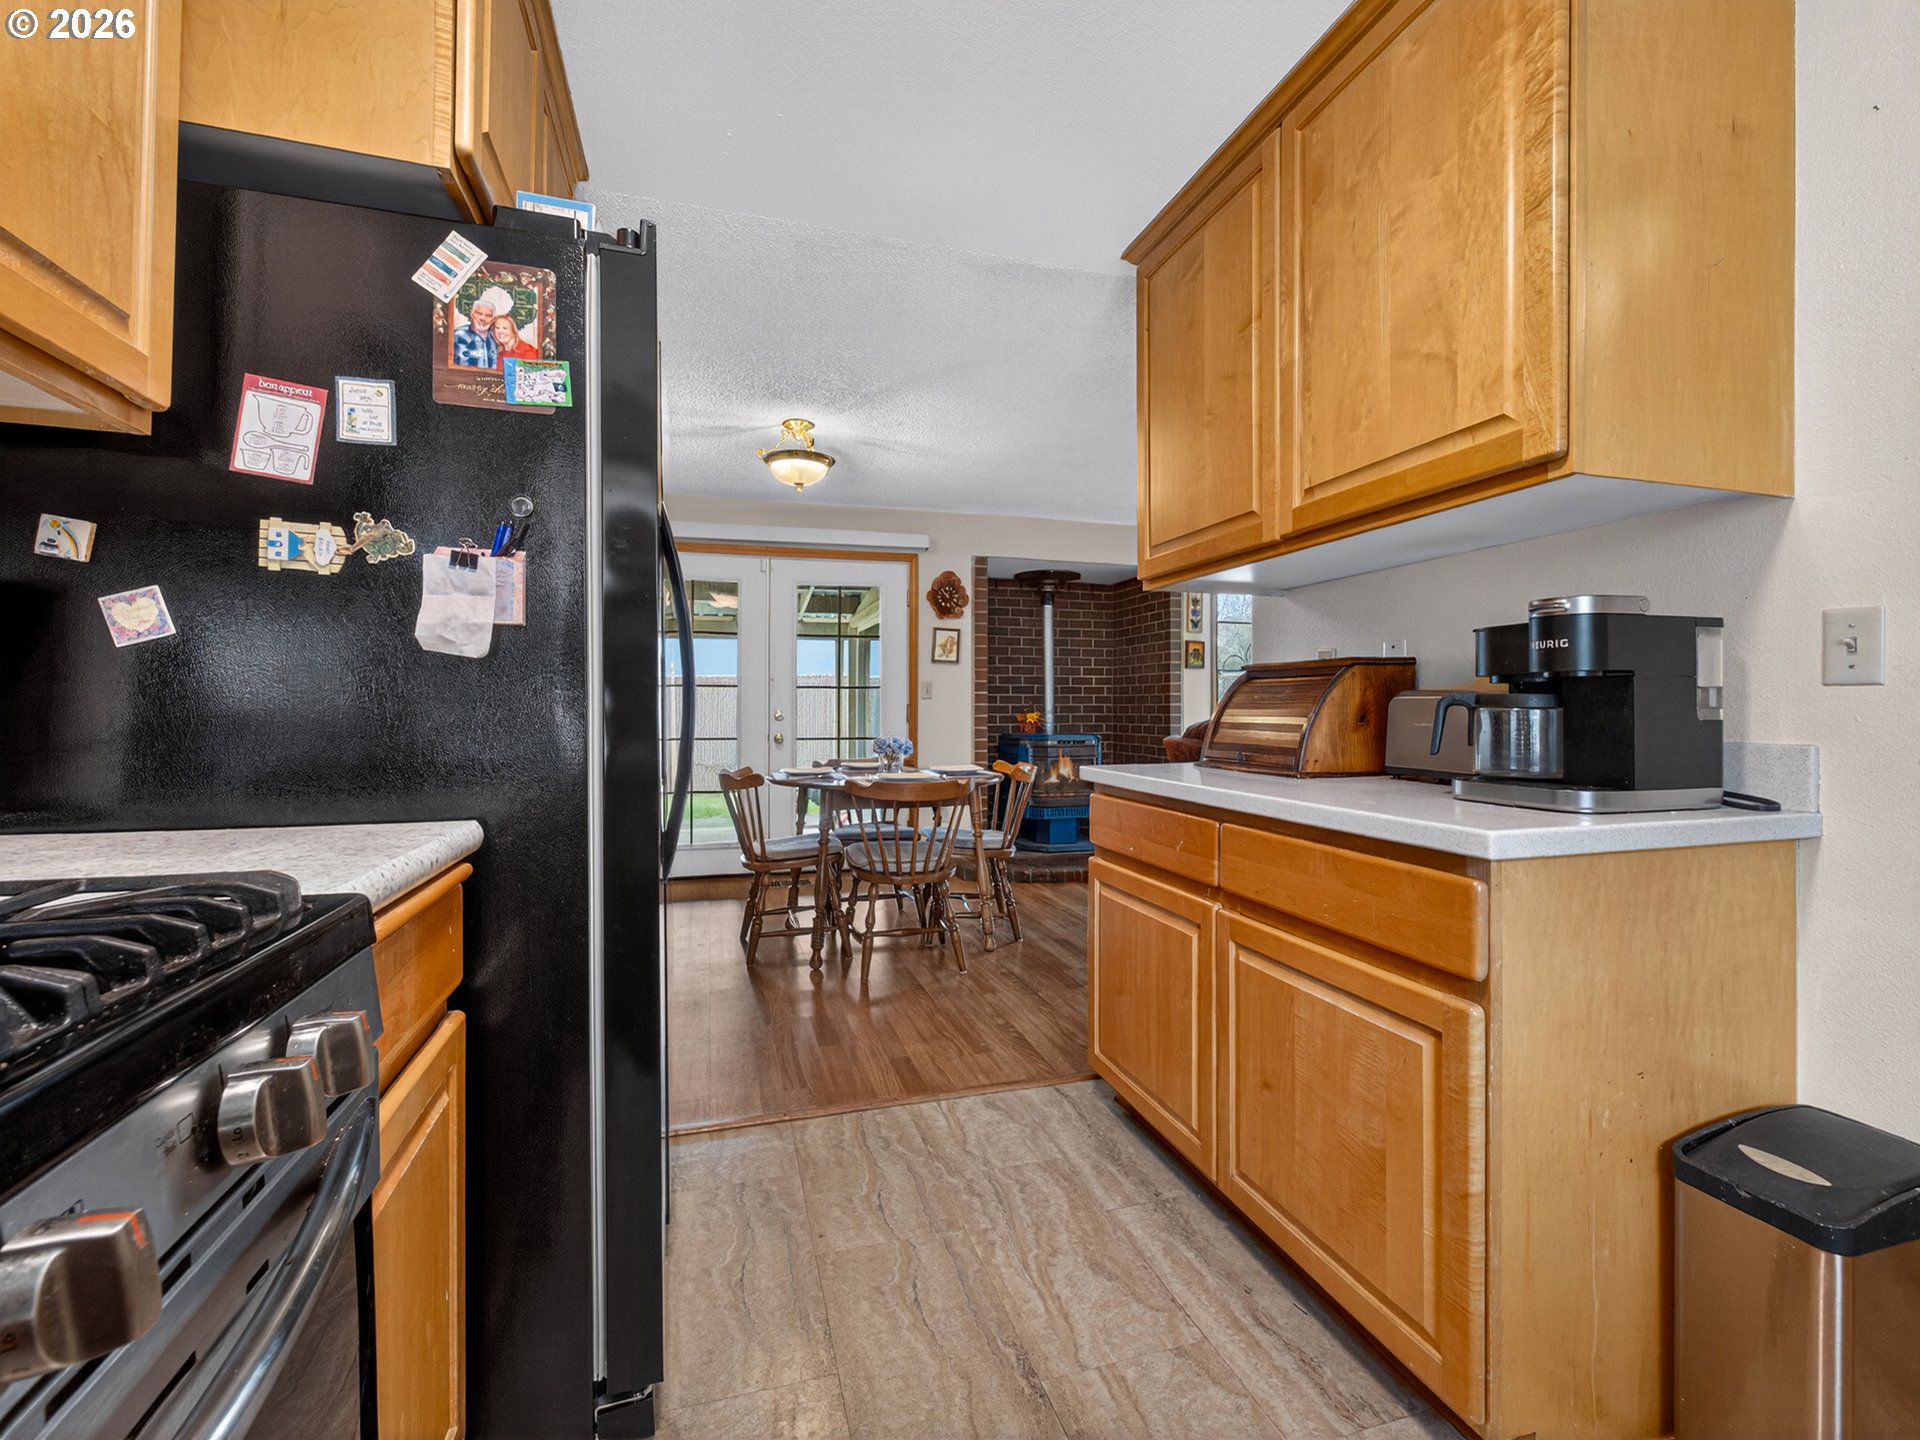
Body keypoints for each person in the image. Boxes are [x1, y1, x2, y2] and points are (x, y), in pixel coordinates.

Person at [453, 286, 516, 368]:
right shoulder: (457, 335)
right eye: (479, 313)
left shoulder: (497, 338)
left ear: (493, 319)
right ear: (472, 315)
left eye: (488, 315)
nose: (483, 318)